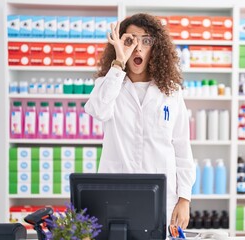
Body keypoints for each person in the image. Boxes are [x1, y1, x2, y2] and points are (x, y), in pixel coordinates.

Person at [84, 13, 196, 229]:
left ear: (156, 47)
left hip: (162, 198)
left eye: (146, 40)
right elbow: (97, 110)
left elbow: (182, 148)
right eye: (130, 40)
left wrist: (184, 198)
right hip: (115, 194)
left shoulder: (171, 92)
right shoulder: (108, 85)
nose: (138, 48)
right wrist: (118, 63)